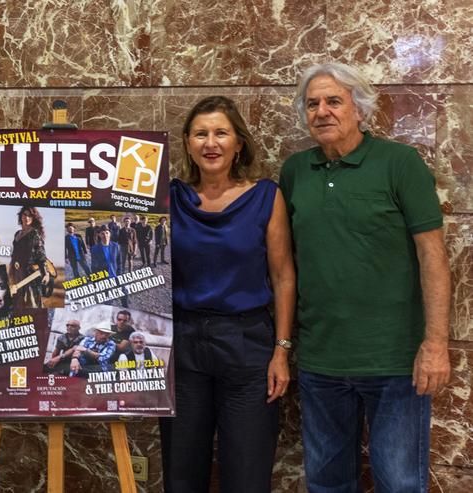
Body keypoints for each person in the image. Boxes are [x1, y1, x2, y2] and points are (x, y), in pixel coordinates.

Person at [279, 62, 451, 492]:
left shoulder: (399, 162)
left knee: (400, 483)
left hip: (395, 363)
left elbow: (433, 255)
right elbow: (284, 265)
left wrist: (435, 345)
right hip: (321, 361)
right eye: (312, 103)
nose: (322, 111)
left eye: (334, 101)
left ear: (360, 108)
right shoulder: (295, 171)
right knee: (327, 484)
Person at [160, 95, 295, 493]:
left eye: (221, 132)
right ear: (187, 143)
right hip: (183, 345)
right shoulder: (170, 199)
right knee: (181, 473)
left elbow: (284, 276)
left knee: (248, 474)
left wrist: (281, 350)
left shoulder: (266, 197)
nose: (210, 142)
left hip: (247, 344)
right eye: (200, 134)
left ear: (239, 143)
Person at [9, 206, 49, 309]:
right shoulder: (17, 234)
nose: (27, 218)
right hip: (17, 273)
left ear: (33, 218)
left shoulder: (35, 234)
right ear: (21, 216)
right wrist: (11, 271)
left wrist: (45, 272)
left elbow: (41, 255)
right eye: (25, 215)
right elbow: (14, 255)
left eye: (30, 215)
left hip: (29, 275)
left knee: (31, 304)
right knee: (17, 302)